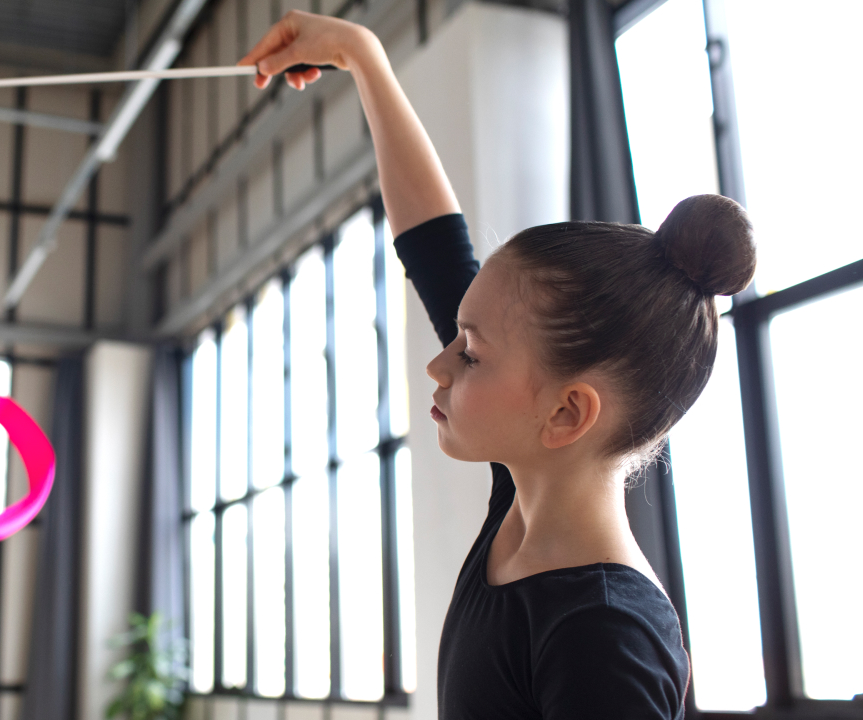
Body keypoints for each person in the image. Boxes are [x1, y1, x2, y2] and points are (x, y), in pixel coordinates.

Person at [240, 11, 756, 720]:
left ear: (566, 413)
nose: (438, 365)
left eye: (470, 352)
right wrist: (363, 57)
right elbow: (432, 244)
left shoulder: (605, 636)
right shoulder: (524, 496)